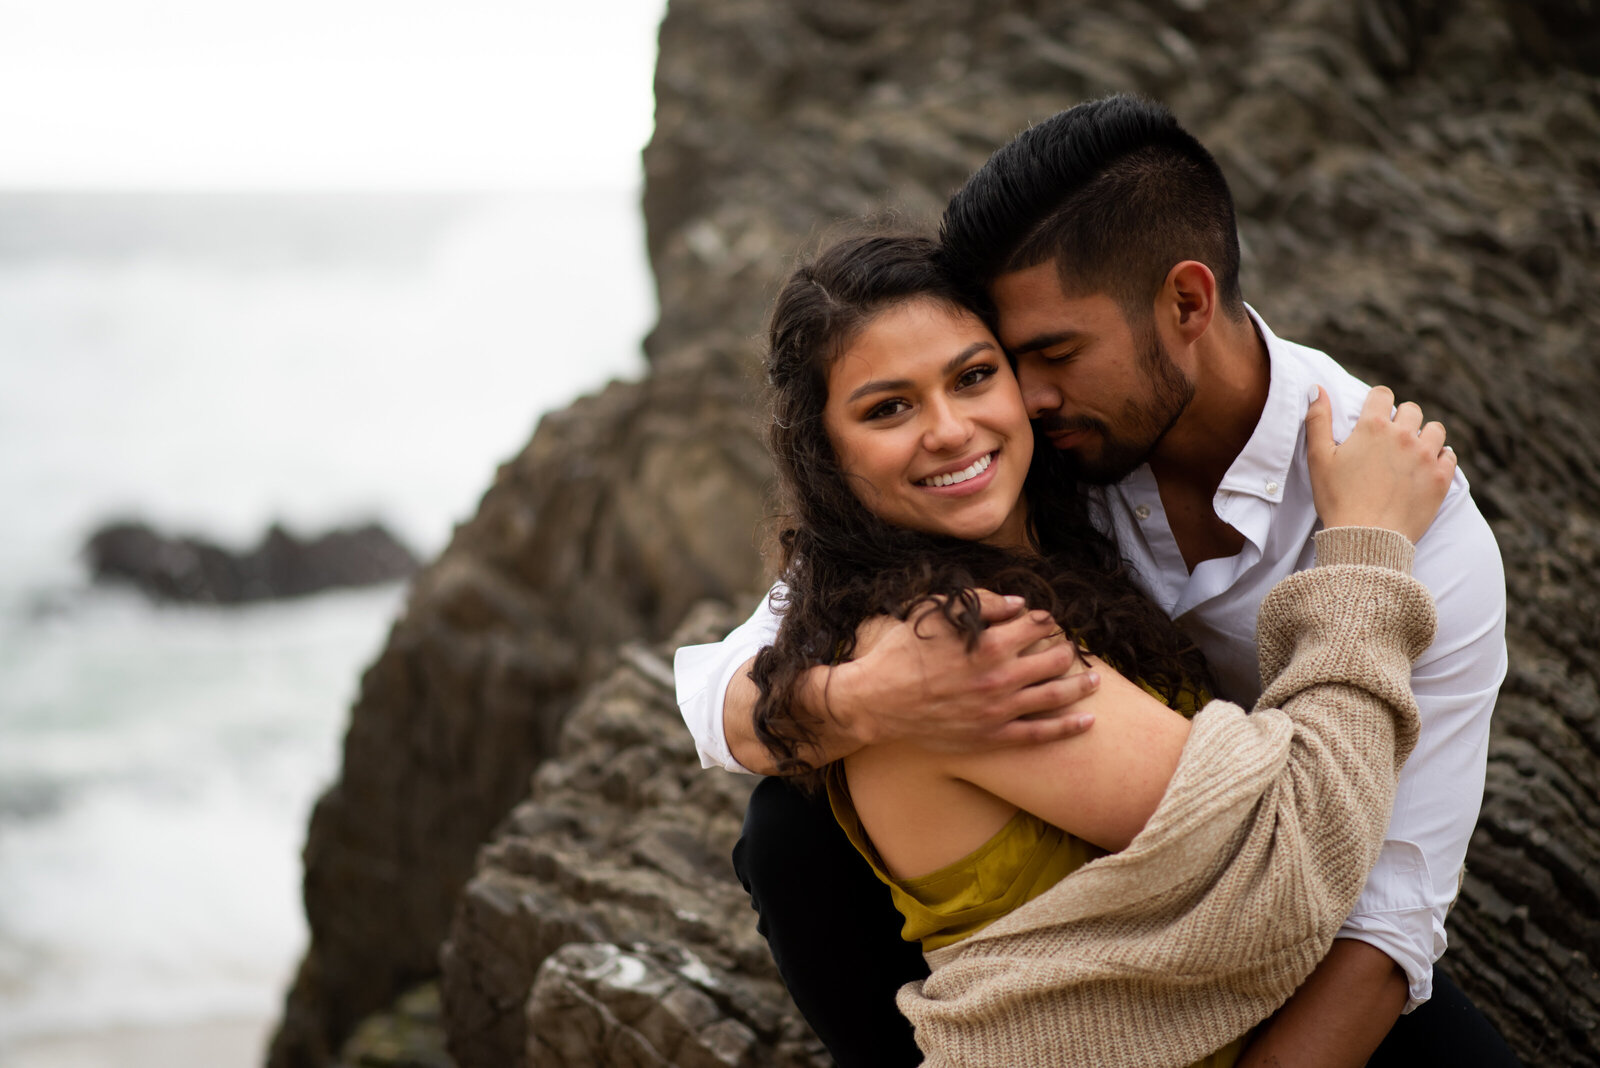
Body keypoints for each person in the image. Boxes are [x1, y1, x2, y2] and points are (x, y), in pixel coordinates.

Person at [674, 96, 1513, 1066]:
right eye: (894, 405)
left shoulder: (1427, 533)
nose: (1003, 408)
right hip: (1191, 905)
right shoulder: (1003, 508)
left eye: (1011, 366)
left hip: (1279, 924)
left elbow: (1385, 914)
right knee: (785, 832)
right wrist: (870, 695)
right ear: (828, 454)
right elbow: (721, 683)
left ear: (1186, 304)